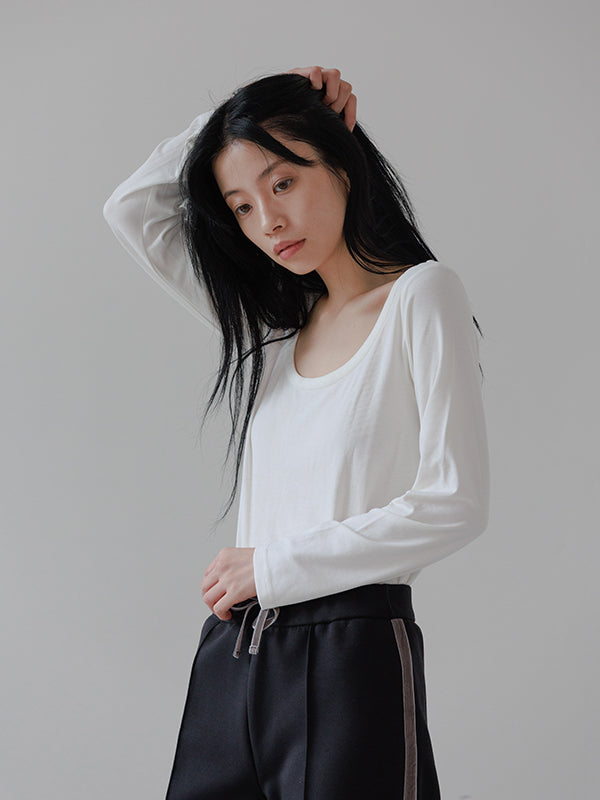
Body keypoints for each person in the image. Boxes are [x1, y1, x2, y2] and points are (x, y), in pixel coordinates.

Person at [102, 65, 490, 800]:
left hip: (349, 652)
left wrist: (274, 566)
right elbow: (131, 209)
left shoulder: (421, 295)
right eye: (242, 206)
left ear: (341, 162)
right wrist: (234, 114)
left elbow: (455, 502)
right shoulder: (277, 329)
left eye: (282, 183)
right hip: (233, 656)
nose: (268, 222)